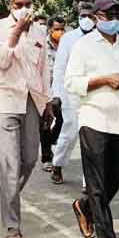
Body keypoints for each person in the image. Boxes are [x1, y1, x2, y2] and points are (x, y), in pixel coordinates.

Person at [66, 0, 119, 238]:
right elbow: (71, 82)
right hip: (95, 119)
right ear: (96, 17)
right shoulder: (83, 46)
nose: (113, 20)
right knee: (97, 184)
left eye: (116, 15)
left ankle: (84, 207)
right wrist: (103, 80)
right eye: (108, 15)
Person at [0, 0, 53, 238]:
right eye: (18, 5)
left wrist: (47, 102)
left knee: (29, 160)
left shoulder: (39, 30)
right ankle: (12, 225)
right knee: (10, 164)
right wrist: (15, 33)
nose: (24, 9)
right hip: (5, 100)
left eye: (27, 4)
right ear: (9, 6)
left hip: (31, 100)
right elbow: (1, 61)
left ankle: (8, 193)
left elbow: (43, 68)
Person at [50, 2, 97, 185]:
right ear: (78, 17)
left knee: (92, 138)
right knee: (69, 134)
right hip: (71, 94)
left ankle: (89, 181)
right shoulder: (69, 38)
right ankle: (58, 165)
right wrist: (57, 95)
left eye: (90, 16)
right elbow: (60, 68)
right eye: (83, 15)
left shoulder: (99, 37)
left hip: (94, 92)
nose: (86, 19)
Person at [40, 16, 66, 172]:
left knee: (63, 120)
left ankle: (52, 139)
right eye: (56, 29)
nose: (60, 32)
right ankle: (46, 158)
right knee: (46, 123)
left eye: (62, 28)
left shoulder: (68, 44)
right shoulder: (42, 45)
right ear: (50, 29)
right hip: (46, 89)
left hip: (63, 90)